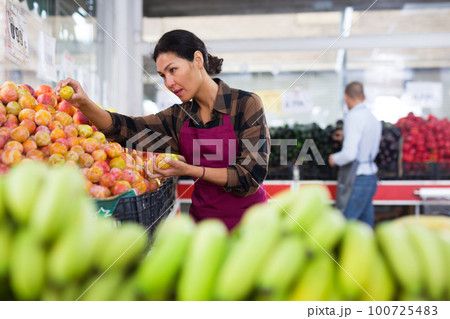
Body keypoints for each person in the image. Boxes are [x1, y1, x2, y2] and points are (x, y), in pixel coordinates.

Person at [56, 29, 270, 230]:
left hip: (252, 229)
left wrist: (188, 170)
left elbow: (250, 176)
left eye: (173, 70)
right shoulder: (178, 117)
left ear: (198, 60)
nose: (168, 82)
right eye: (162, 76)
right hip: (202, 229)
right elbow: (126, 130)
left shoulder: (245, 104)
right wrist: (84, 103)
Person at [328, 82, 381, 226]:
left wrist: (334, 159)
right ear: (363, 96)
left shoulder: (353, 116)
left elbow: (350, 154)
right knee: (365, 226)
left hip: (357, 179)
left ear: (346, 97)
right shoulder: (372, 117)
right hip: (371, 177)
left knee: (343, 225)